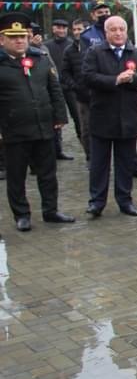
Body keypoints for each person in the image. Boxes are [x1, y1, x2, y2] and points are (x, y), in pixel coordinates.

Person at [0, 12, 74, 232]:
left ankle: (51, 211)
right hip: (14, 131)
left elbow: (55, 90)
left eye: (22, 35)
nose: (19, 40)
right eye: (13, 37)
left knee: (48, 174)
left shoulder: (40, 59)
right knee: (16, 176)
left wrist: (60, 117)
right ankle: (21, 215)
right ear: (2, 39)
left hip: (44, 128)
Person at [81, 16, 137, 217]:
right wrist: (115, 80)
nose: (118, 33)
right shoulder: (95, 52)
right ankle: (97, 201)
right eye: (113, 29)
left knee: (125, 162)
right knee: (99, 164)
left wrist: (132, 79)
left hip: (128, 118)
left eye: (121, 29)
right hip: (102, 117)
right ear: (106, 33)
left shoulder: (136, 54)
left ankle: (125, 200)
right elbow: (87, 77)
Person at [44, 18, 78, 161]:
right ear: (53, 29)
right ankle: (56, 150)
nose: (61, 30)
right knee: (55, 120)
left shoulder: (72, 45)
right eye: (58, 27)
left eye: (64, 28)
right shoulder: (46, 46)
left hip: (69, 87)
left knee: (78, 117)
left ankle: (88, 149)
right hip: (52, 88)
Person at [59, 19, 90, 160]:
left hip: (100, 93)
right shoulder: (70, 50)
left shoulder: (96, 46)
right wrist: (75, 86)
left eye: (80, 29)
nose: (77, 32)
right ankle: (90, 157)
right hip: (81, 95)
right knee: (85, 128)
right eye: (75, 29)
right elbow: (64, 72)